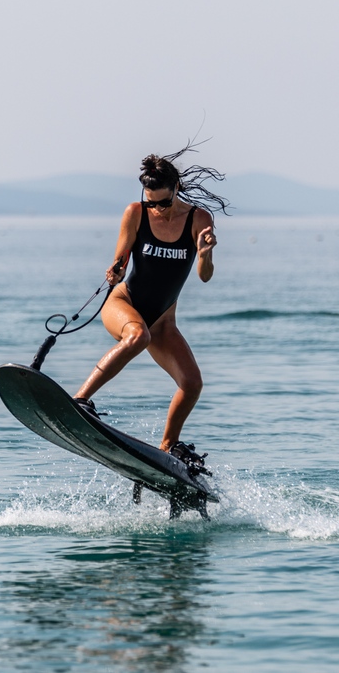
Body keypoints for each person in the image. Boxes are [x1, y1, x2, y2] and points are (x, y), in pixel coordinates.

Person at [73, 145, 227, 466]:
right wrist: (115, 269)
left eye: (163, 202)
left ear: (176, 188)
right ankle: (80, 400)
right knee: (136, 336)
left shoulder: (198, 219)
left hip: (163, 323)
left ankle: (168, 447)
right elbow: (120, 262)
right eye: (150, 201)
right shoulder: (135, 213)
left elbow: (205, 276)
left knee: (192, 383)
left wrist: (205, 253)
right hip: (123, 303)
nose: (156, 208)